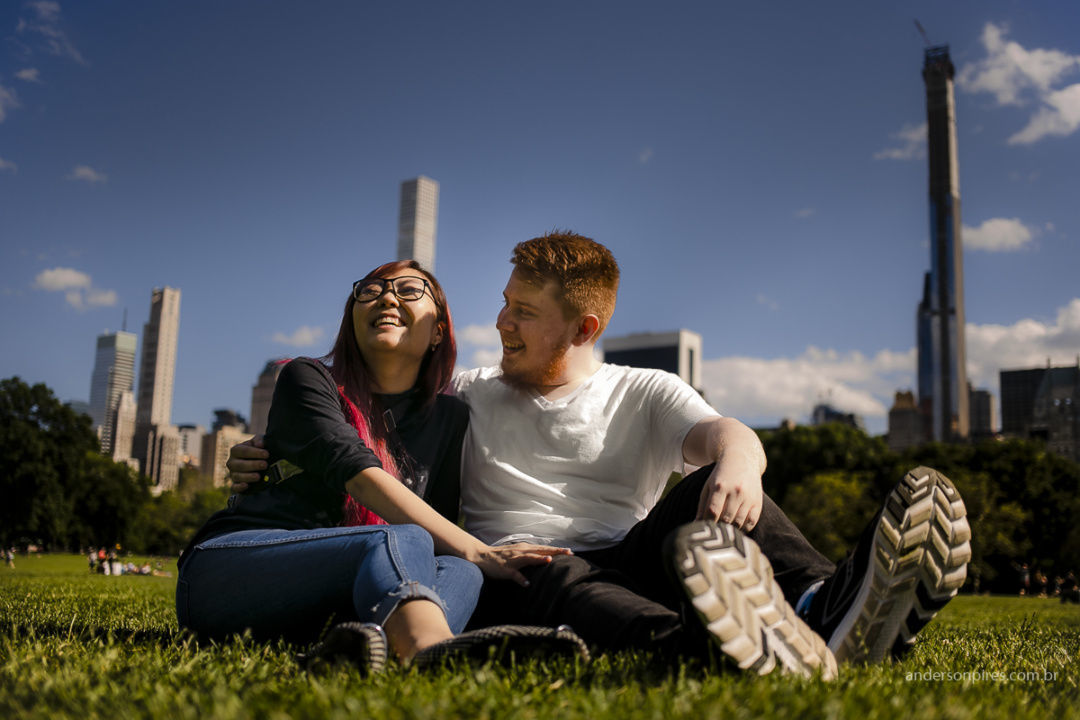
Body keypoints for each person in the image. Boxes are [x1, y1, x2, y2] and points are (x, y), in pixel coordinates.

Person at [231, 234, 971, 677]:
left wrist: (742, 464)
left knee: (711, 485)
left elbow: (727, 436)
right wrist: (270, 454)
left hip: (639, 552)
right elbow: (367, 420)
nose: (500, 323)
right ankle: (704, 648)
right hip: (519, 566)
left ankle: (824, 604)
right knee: (563, 571)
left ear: (581, 327)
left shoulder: (644, 389)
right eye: (503, 303)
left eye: (523, 313)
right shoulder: (467, 388)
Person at [180, 260, 585, 674]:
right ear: (352, 319)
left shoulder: (449, 419)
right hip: (229, 573)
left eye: (409, 291)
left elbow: (437, 529)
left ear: (439, 331)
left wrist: (474, 556)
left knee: (459, 568)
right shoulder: (307, 378)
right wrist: (482, 550)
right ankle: (430, 649)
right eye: (371, 291)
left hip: (338, 599)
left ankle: (362, 648)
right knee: (404, 539)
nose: (387, 297)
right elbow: (356, 472)